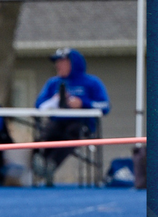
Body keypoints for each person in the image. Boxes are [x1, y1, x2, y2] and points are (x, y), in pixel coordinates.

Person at [32, 47, 110, 186]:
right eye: (57, 62)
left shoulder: (92, 82)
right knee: (47, 133)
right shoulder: (53, 83)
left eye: (62, 61)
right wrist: (54, 101)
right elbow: (38, 104)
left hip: (81, 123)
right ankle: (41, 162)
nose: (58, 65)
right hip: (57, 121)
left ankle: (50, 164)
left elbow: (105, 106)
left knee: (72, 133)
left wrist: (83, 103)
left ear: (73, 63)